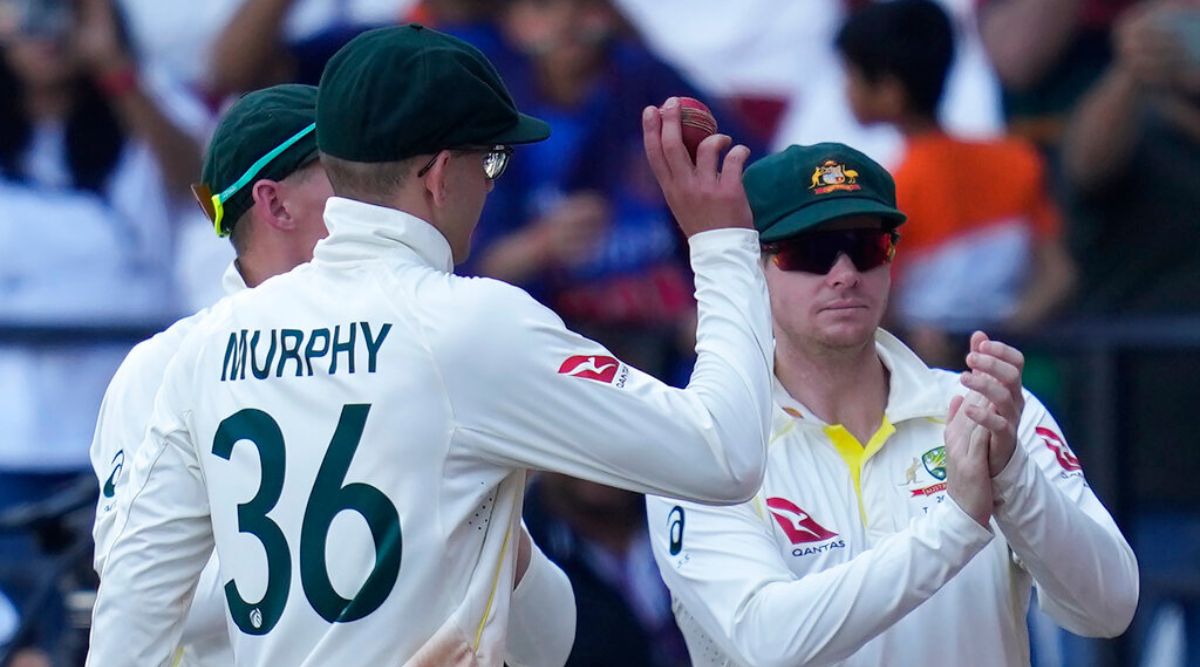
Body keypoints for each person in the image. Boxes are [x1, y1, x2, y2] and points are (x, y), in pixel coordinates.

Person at [87, 23, 772, 666]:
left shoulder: (207, 348)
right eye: (493, 160)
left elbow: (128, 618)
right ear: (441, 174)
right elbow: (723, 454)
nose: (492, 182)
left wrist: (485, 537)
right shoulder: (469, 326)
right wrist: (721, 244)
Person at [89, 82, 577, 667]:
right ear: (274, 205)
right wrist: (401, 560)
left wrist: (484, 542)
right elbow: (143, 595)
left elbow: (551, 642)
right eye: (349, 175)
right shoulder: (162, 368)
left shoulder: (429, 344)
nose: (382, 193)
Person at [645, 142, 1139, 666]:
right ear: (750, 268)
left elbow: (1108, 609)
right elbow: (770, 642)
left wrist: (1014, 476)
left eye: (865, 246)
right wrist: (956, 524)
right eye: (807, 251)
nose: (844, 274)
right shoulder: (697, 440)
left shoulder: (984, 412)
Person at [834, 0, 1075, 367]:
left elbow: (878, 304)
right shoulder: (1017, 160)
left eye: (850, 76)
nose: (845, 90)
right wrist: (999, 337)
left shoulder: (892, 192)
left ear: (889, 91)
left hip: (928, 373)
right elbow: (1059, 277)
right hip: (1021, 363)